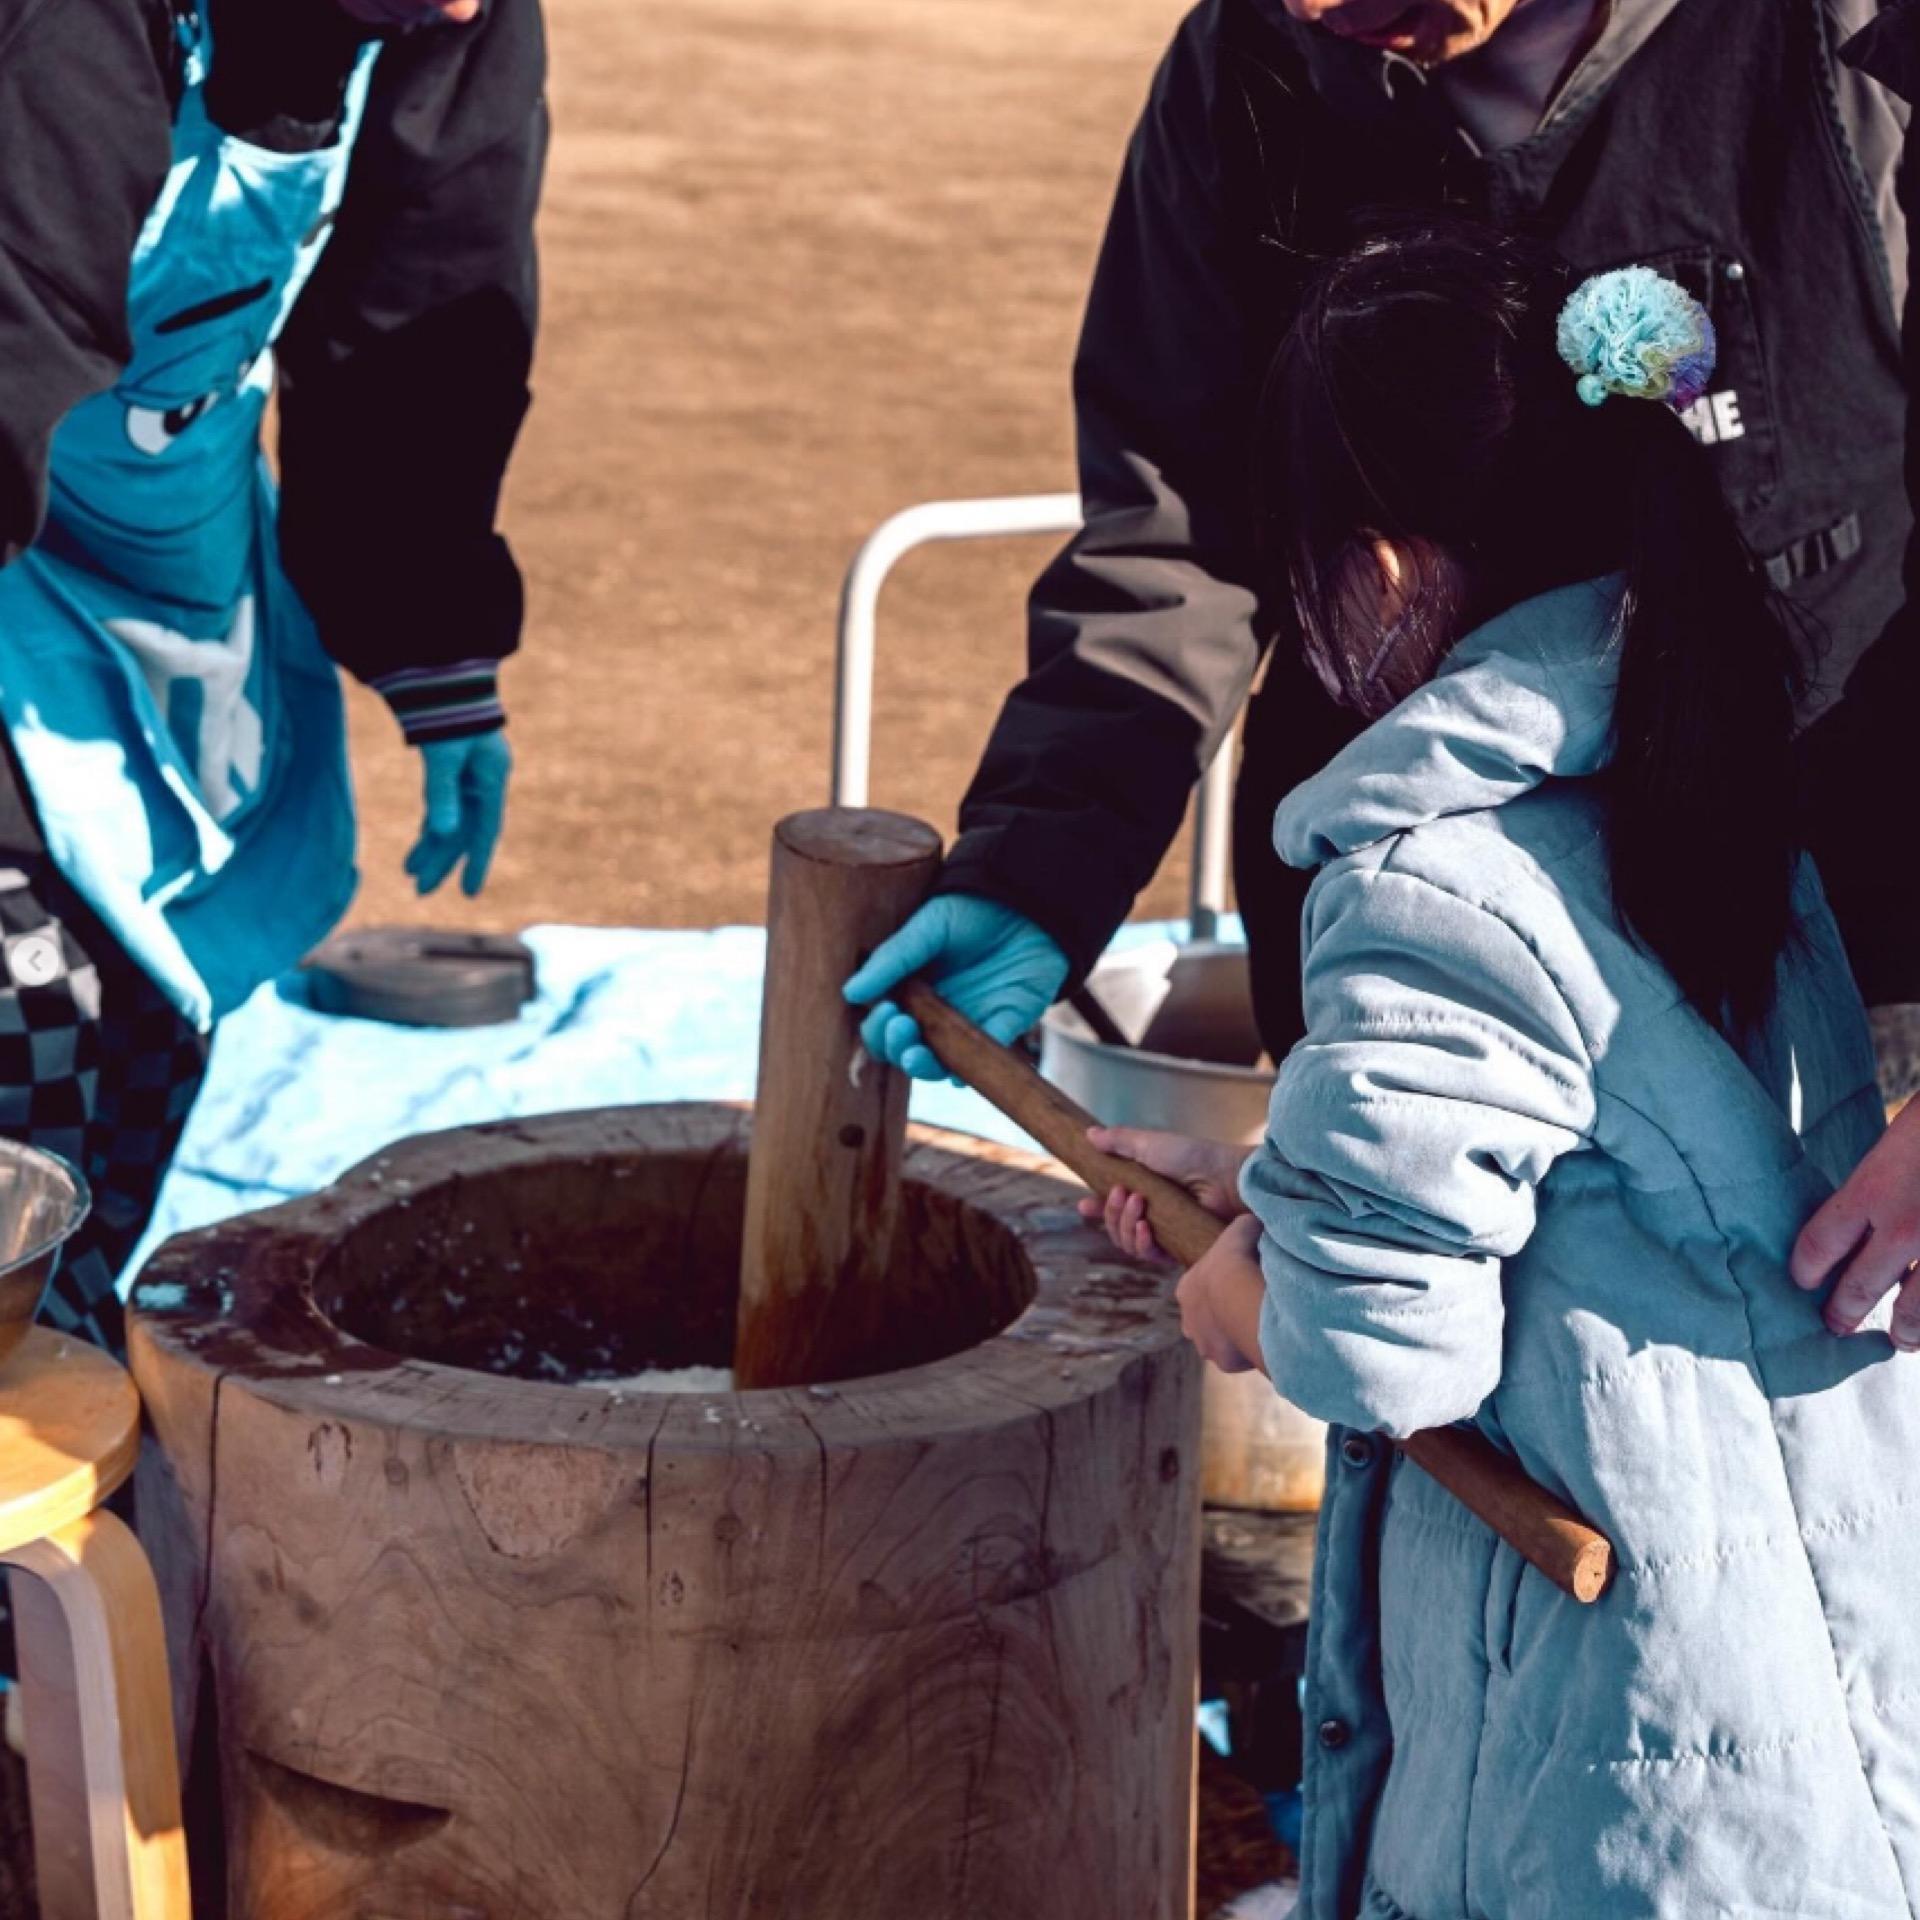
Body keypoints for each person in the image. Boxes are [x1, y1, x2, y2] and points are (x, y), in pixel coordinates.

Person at [844, 0, 1920, 1348]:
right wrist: (1039, 864)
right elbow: (1172, 525)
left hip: (1829, 969)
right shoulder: (1248, 69)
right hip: (1414, 964)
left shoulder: (1857, 49)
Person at [1080, 221, 1918, 1918]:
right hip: (1825, 1652)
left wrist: (1246, 1295)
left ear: (1381, 571)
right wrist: (1279, 1185)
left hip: (1608, 1757)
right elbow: (1597, 1165)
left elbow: (1380, 1354)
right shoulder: (1723, 774)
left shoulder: (1424, 891)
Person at [0, 0, 543, 1351]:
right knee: (27, 991)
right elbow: (21, 311)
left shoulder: (444, 11)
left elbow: (420, 305)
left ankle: (64, 1360)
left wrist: (437, 651)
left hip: (168, 528)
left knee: (157, 980)